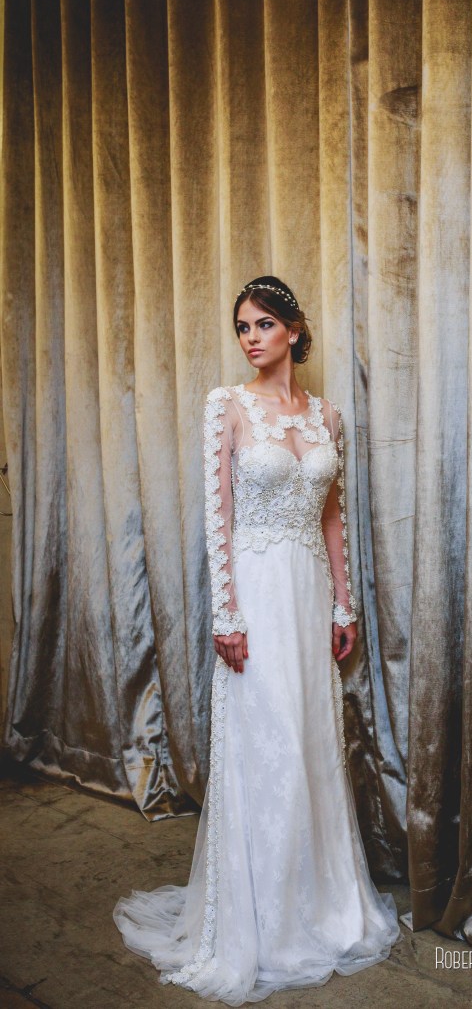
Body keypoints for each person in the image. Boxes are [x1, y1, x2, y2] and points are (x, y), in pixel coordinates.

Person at [113, 276, 401, 1004]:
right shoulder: (228, 406)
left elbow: (332, 515)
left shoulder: (328, 415)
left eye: (264, 324)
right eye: (243, 326)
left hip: (308, 594)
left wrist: (344, 604)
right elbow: (219, 517)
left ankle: (324, 904)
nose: (251, 337)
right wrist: (227, 615)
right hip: (258, 591)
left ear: (294, 330)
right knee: (268, 741)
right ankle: (262, 920)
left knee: (311, 739)